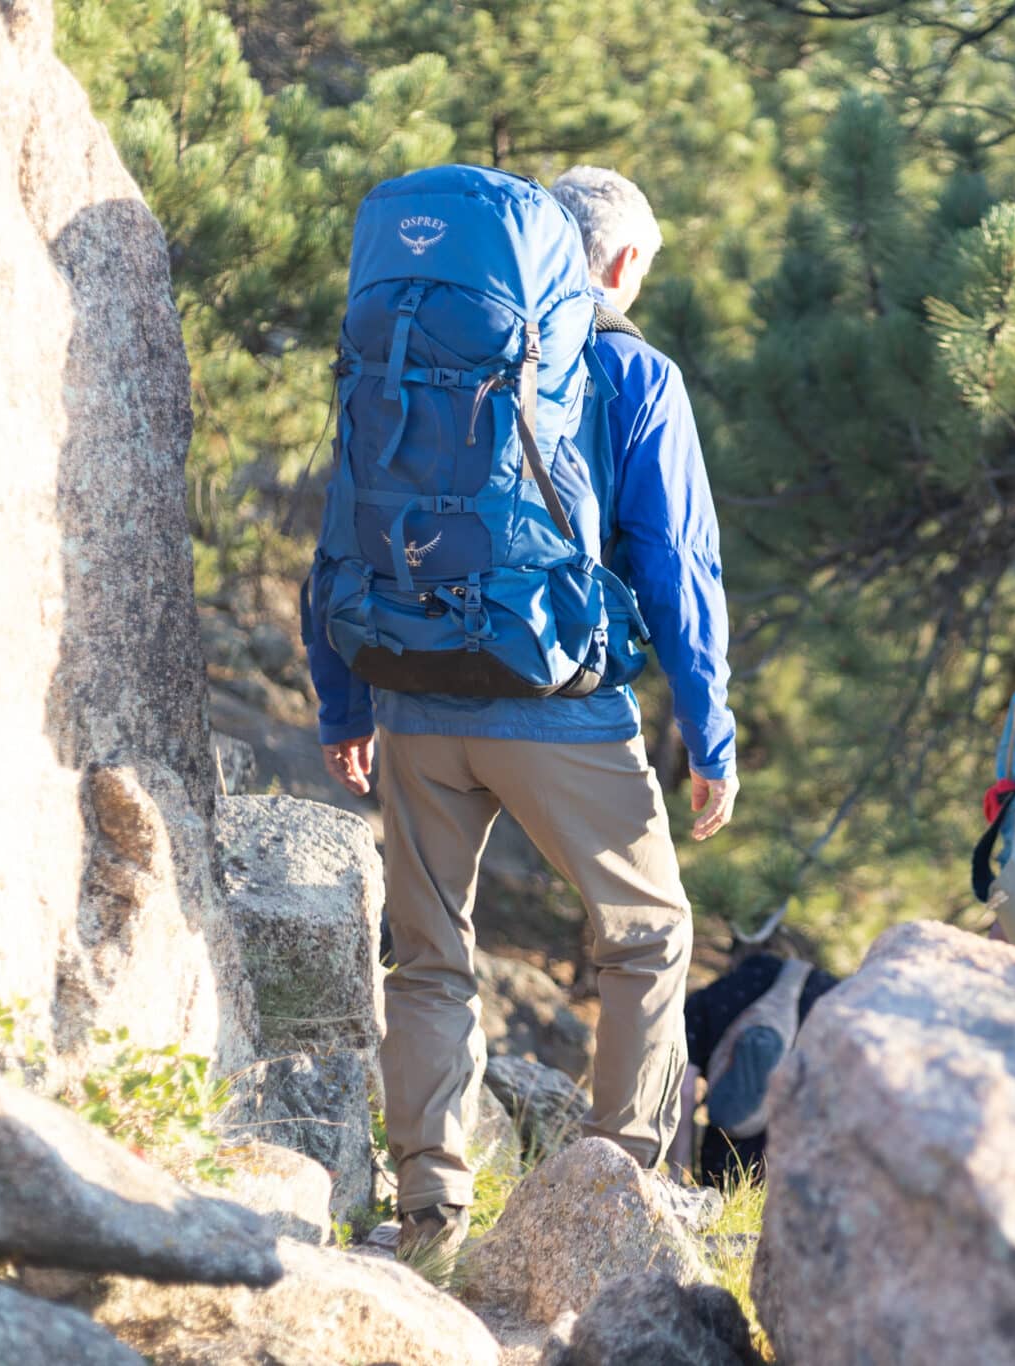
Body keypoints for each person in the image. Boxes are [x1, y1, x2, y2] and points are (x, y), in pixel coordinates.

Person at [307, 165, 737, 1259]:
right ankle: (616, 1201)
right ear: (625, 263)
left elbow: (343, 524)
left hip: (410, 696)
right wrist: (709, 735)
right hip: (559, 708)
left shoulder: (409, 354)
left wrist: (342, 699)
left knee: (430, 956)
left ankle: (430, 1218)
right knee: (646, 935)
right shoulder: (633, 372)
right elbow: (679, 567)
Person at [671, 952, 842, 1188]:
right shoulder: (833, 997)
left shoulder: (718, 995)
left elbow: (684, 1089)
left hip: (727, 1157)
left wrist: (677, 1175)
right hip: (797, 1167)